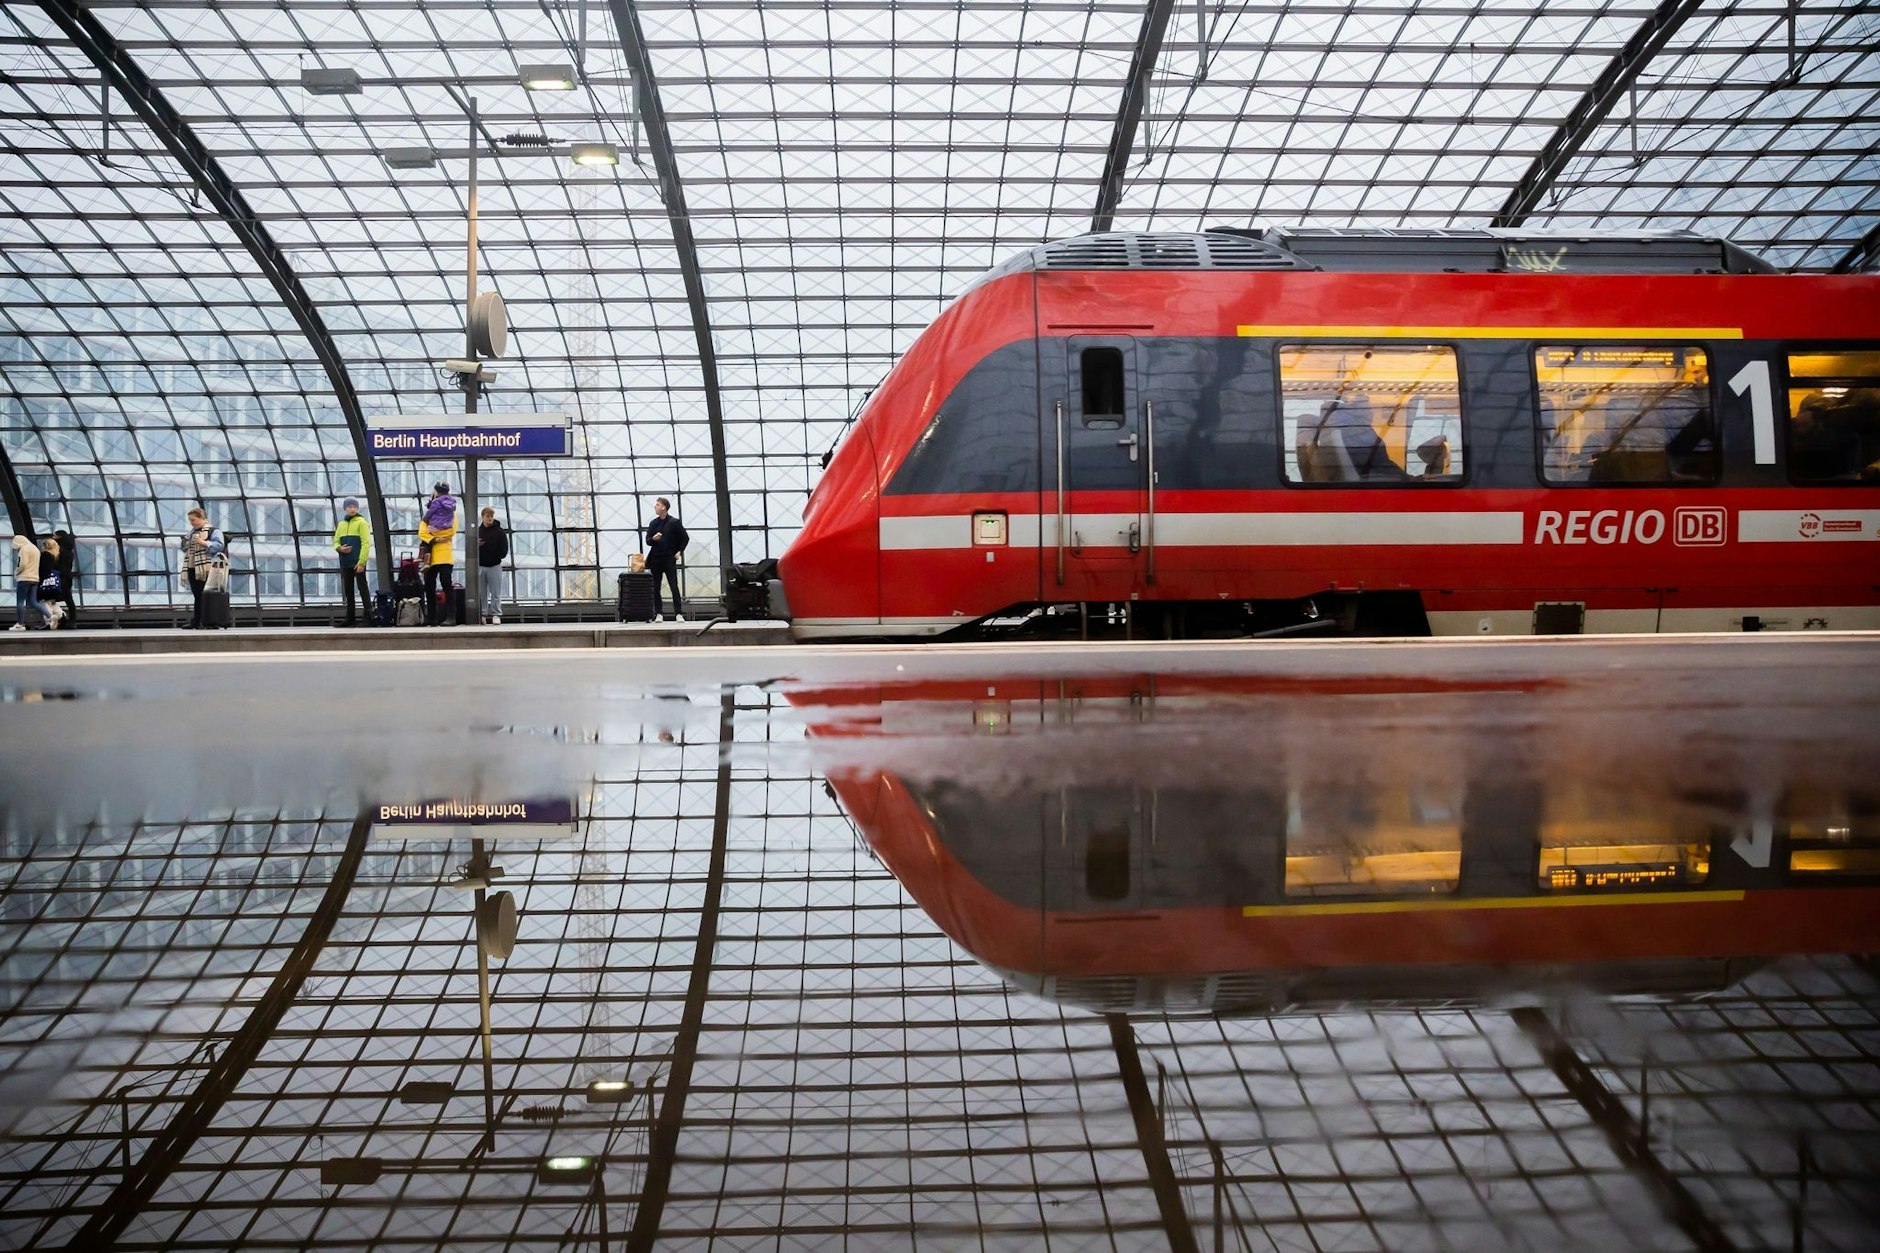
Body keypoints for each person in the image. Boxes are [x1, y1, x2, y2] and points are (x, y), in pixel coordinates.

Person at [178, 507, 225, 629]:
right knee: (198, 595)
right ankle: (198, 621)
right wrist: (186, 543)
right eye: (190, 520)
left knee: (208, 595)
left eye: (193, 520)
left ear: (201, 518)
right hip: (193, 567)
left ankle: (210, 621)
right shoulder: (191, 533)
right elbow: (184, 549)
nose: (191, 522)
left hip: (208, 568)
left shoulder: (213, 531)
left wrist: (204, 542)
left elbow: (219, 546)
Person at [418, 482, 458, 625]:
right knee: (429, 585)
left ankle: (451, 617)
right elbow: (422, 532)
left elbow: (451, 531)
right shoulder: (443, 510)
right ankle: (432, 617)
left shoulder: (451, 513)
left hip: (443, 554)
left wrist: (432, 536)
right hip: (433, 554)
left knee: (446, 584)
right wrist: (438, 538)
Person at [644, 497, 688, 621]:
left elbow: (685, 538)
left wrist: (679, 551)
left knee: (674, 586)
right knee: (656, 587)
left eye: (657, 505)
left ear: (664, 507)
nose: (655, 507)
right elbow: (648, 541)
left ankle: (678, 613)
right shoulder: (653, 523)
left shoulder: (674, 522)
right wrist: (653, 539)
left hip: (669, 559)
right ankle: (659, 613)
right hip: (656, 560)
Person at [332, 497, 373, 627]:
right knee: (348, 591)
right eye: (350, 506)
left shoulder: (362, 522)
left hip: (357, 562)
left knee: (363, 589)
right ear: (345, 508)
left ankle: (369, 617)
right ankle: (350, 618)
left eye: (354, 506)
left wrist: (361, 562)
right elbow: (335, 541)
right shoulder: (341, 524)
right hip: (345, 562)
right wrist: (339, 548)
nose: (352, 509)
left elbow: (366, 543)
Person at [476, 506, 508, 625]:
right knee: (482, 593)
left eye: (491, 516)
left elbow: (504, 549)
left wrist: (497, 556)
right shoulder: (478, 532)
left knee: (495, 592)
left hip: (494, 565)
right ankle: (483, 614)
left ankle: (495, 614)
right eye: (487, 516)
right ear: (483, 517)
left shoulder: (499, 532)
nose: (490, 519)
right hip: (482, 565)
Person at [10, 532, 42, 631]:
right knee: (33, 601)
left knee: (20, 601)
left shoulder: (24, 549)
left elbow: (21, 564)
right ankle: (50, 616)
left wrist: (16, 572)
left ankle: (20, 624)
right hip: (35, 578)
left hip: (24, 578)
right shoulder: (35, 549)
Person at [36, 537, 64, 629]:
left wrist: (39, 580)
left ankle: (49, 621)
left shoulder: (45, 555)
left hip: (45, 583)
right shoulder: (55, 556)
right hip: (54, 584)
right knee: (52, 602)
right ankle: (60, 615)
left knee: (45, 603)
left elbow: (43, 570)